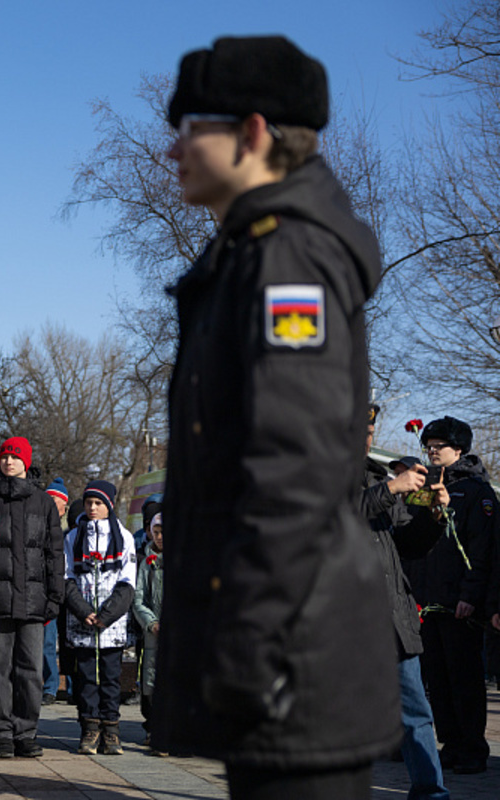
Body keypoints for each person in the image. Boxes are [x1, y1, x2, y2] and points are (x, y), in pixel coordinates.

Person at [154, 35, 400, 799]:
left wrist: (250, 640)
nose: (173, 149)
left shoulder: (287, 259)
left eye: (191, 128)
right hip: (283, 655)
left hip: (296, 659)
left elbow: (295, 468)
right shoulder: (253, 253)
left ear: (253, 133)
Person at [362, 410, 450, 800]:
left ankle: (431, 793)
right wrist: (390, 489)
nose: (365, 437)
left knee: (416, 713)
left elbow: (409, 545)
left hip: (393, 618)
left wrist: (434, 513)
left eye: (369, 431)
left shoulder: (375, 478)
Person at [407, 416, 496, 775]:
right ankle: (450, 745)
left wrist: (470, 595)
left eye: (438, 446)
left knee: (465, 681)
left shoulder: (477, 492)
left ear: (458, 449)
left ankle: (473, 748)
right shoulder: (425, 485)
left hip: (459, 604)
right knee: (437, 681)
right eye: (428, 446)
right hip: (428, 602)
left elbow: (482, 549)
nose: (431, 451)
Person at [0, 437, 64, 759]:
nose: (9, 461)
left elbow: (54, 554)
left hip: (34, 603)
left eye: (15, 456)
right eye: (4, 456)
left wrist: (55, 596)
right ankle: (2, 733)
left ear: (26, 462)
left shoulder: (43, 503)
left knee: (31, 671)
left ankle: (26, 733)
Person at [63, 480, 136, 756]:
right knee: (85, 679)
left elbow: (127, 582)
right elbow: (67, 578)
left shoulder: (124, 537)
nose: (92, 508)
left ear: (109, 506)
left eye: (98, 503)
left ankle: (111, 730)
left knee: (110, 679)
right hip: (82, 621)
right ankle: (89, 729)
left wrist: (106, 615)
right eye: (89, 503)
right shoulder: (73, 537)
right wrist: (83, 611)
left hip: (111, 624)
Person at [131, 512, 163, 749]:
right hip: (154, 633)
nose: (160, 537)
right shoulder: (146, 563)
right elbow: (138, 599)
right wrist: (151, 623)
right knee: (151, 680)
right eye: (156, 532)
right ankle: (154, 728)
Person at [43, 478, 70, 706]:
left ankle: (70, 686)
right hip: (48, 592)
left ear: (64, 504)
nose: (50, 503)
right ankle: (50, 687)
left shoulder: (70, 531)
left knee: (69, 642)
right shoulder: (40, 526)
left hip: (68, 593)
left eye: (54, 499)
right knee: (47, 643)